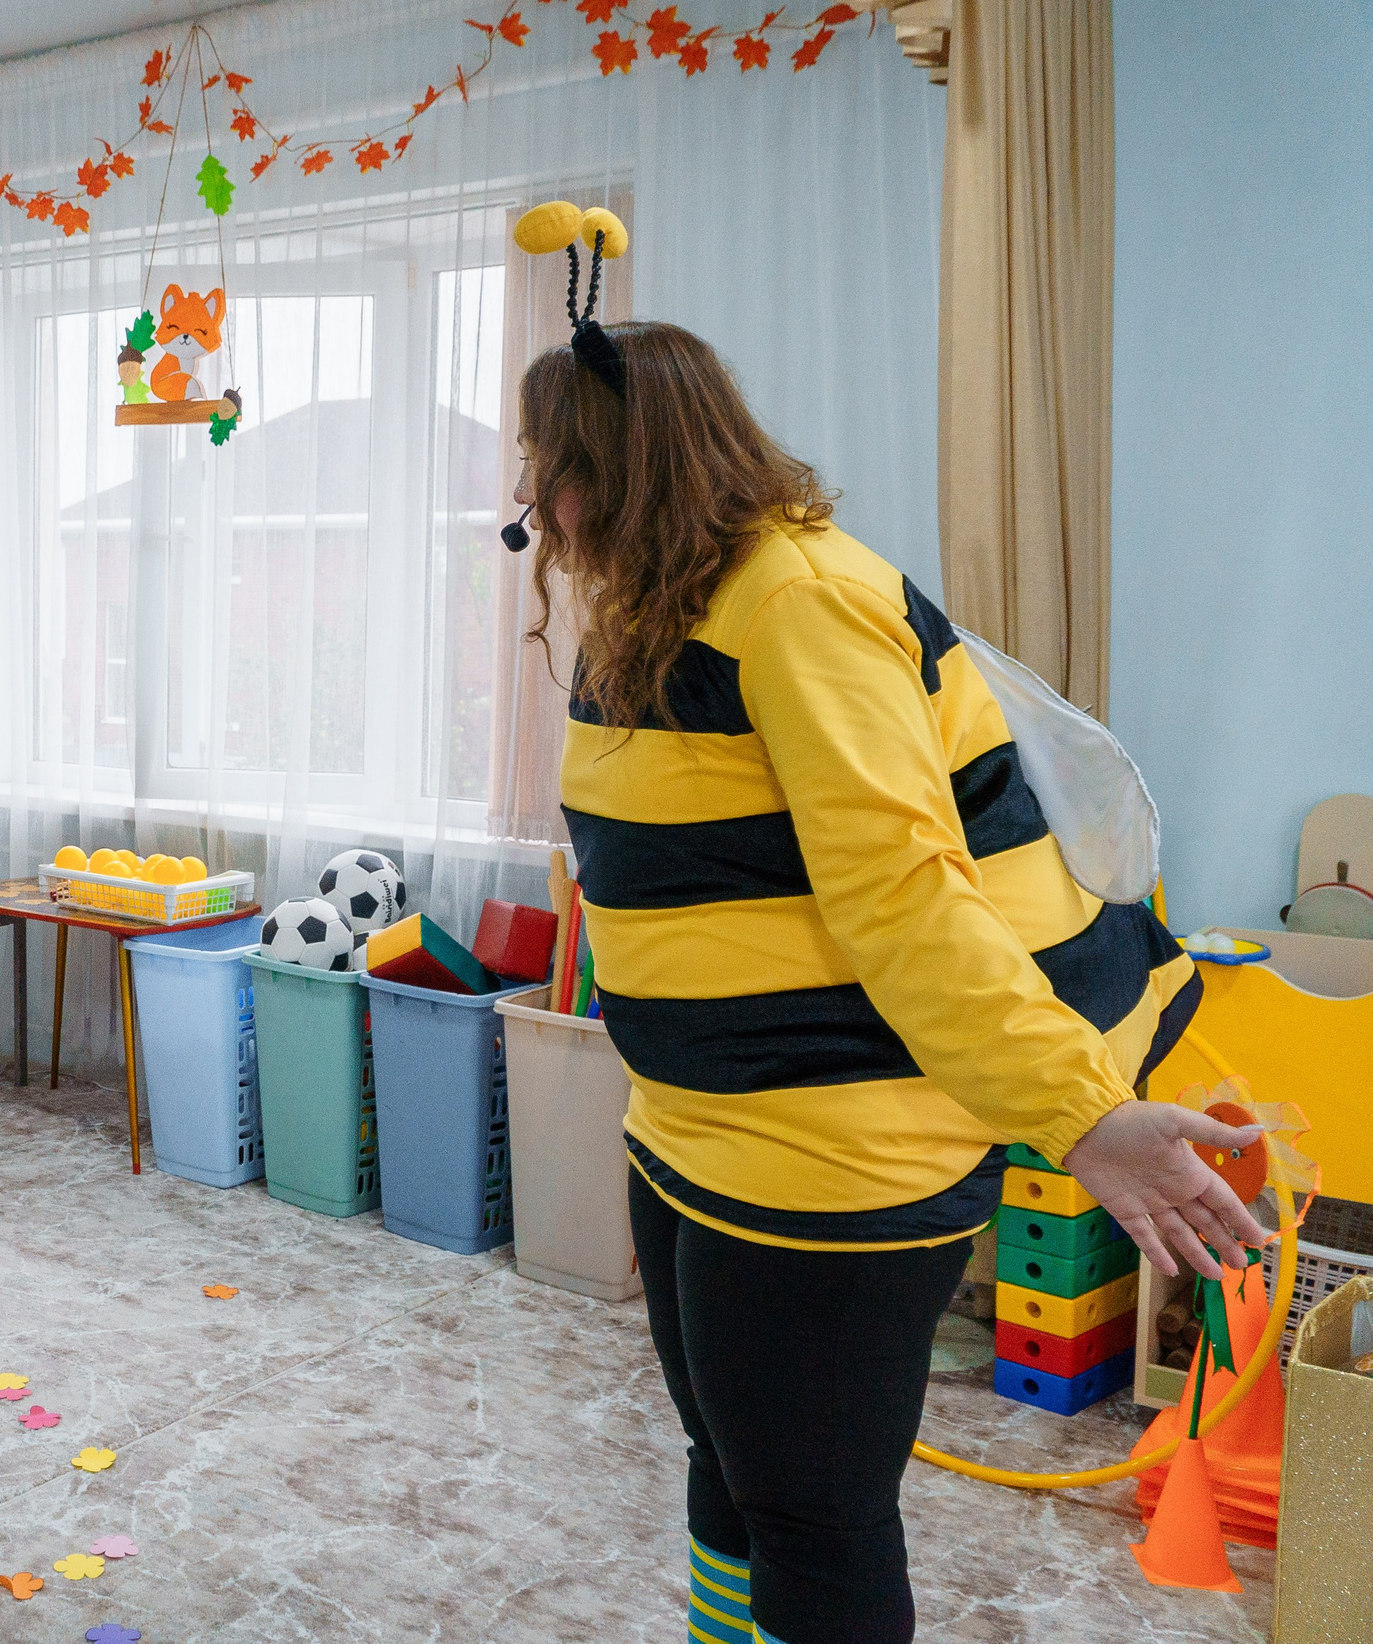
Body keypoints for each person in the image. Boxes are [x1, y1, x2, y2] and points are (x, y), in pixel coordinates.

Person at [513, 319, 1270, 1644]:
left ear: (622, 468)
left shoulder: (799, 601)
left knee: (815, 1516)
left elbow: (907, 896)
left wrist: (1083, 1115)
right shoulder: (665, 607)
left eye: (551, 466)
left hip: (835, 1155)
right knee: (731, 1469)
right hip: (695, 1130)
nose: (536, 500)